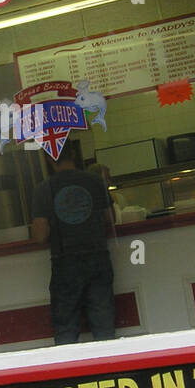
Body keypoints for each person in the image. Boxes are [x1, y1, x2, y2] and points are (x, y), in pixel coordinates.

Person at [31, 138, 117, 345]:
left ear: (49, 159)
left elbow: (40, 235)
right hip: (97, 256)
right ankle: (111, 371)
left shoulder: (44, 189)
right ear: (74, 155)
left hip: (65, 261)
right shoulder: (95, 181)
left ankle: (69, 376)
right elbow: (111, 219)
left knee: (66, 329)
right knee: (104, 326)